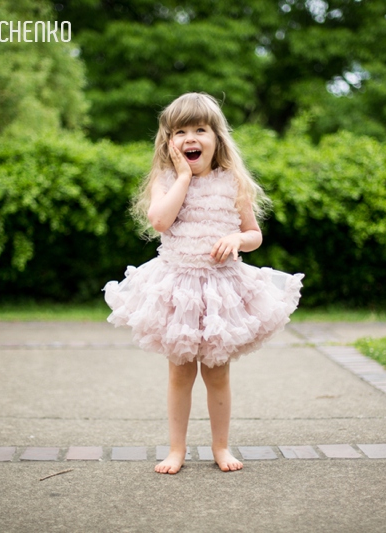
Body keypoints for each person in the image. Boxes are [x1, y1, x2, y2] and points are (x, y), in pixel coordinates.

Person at [103, 92, 303, 474]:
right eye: (180, 131)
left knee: (217, 373)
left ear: (217, 138)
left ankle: (221, 447)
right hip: (177, 290)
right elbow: (160, 222)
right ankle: (176, 449)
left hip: (220, 290)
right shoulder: (165, 181)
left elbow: (254, 233)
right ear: (169, 143)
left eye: (200, 129)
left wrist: (238, 241)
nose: (190, 138)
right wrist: (181, 176)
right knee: (180, 373)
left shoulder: (232, 182)